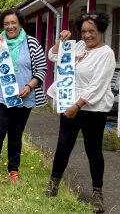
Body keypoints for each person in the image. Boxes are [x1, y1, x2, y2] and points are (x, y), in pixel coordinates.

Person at [44, 12, 115, 214]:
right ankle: (54, 184)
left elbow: (97, 85)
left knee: (93, 150)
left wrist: (78, 105)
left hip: (93, 109)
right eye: (83, 31)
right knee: (63, 145)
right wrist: (61, 40)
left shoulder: (106, 54)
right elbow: (53, 56)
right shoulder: (78, 47)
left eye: (91, 31)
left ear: (100, 30)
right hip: (69, 105)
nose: (87, 35)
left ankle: (97, 194)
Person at [0, 8, 47, 182]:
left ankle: (13, 170)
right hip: (0, 98)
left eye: (13, 23)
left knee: (16, 135)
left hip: (23, 98)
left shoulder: (31, 43)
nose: (10, 26)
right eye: (6, 23)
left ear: (20, 24)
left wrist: (29, 87)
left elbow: (42, 70)